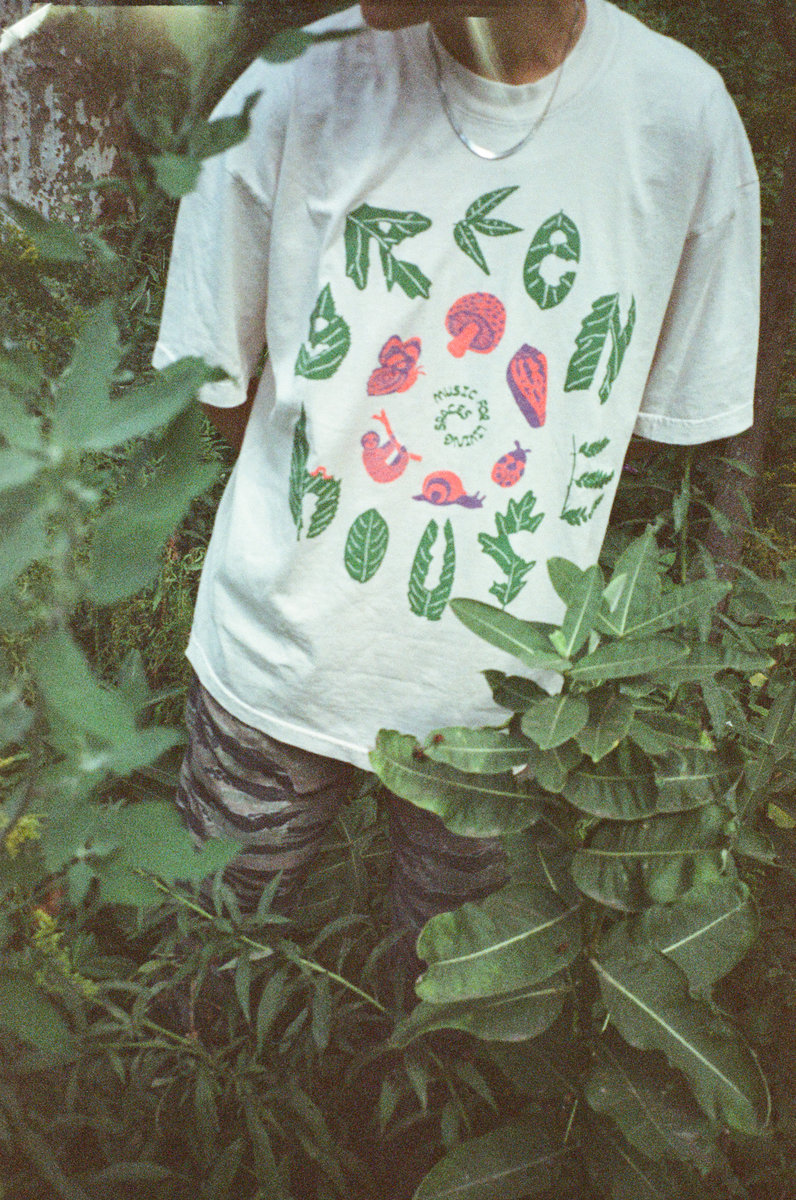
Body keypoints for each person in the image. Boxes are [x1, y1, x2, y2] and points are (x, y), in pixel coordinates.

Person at [153, 0, 760, 983]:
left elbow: (638, 419)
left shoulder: (680, 121)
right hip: (273, 665)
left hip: (506, 707)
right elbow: (213, 379)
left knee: (454, 1013)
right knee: (211, 976)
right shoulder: (294, 84)